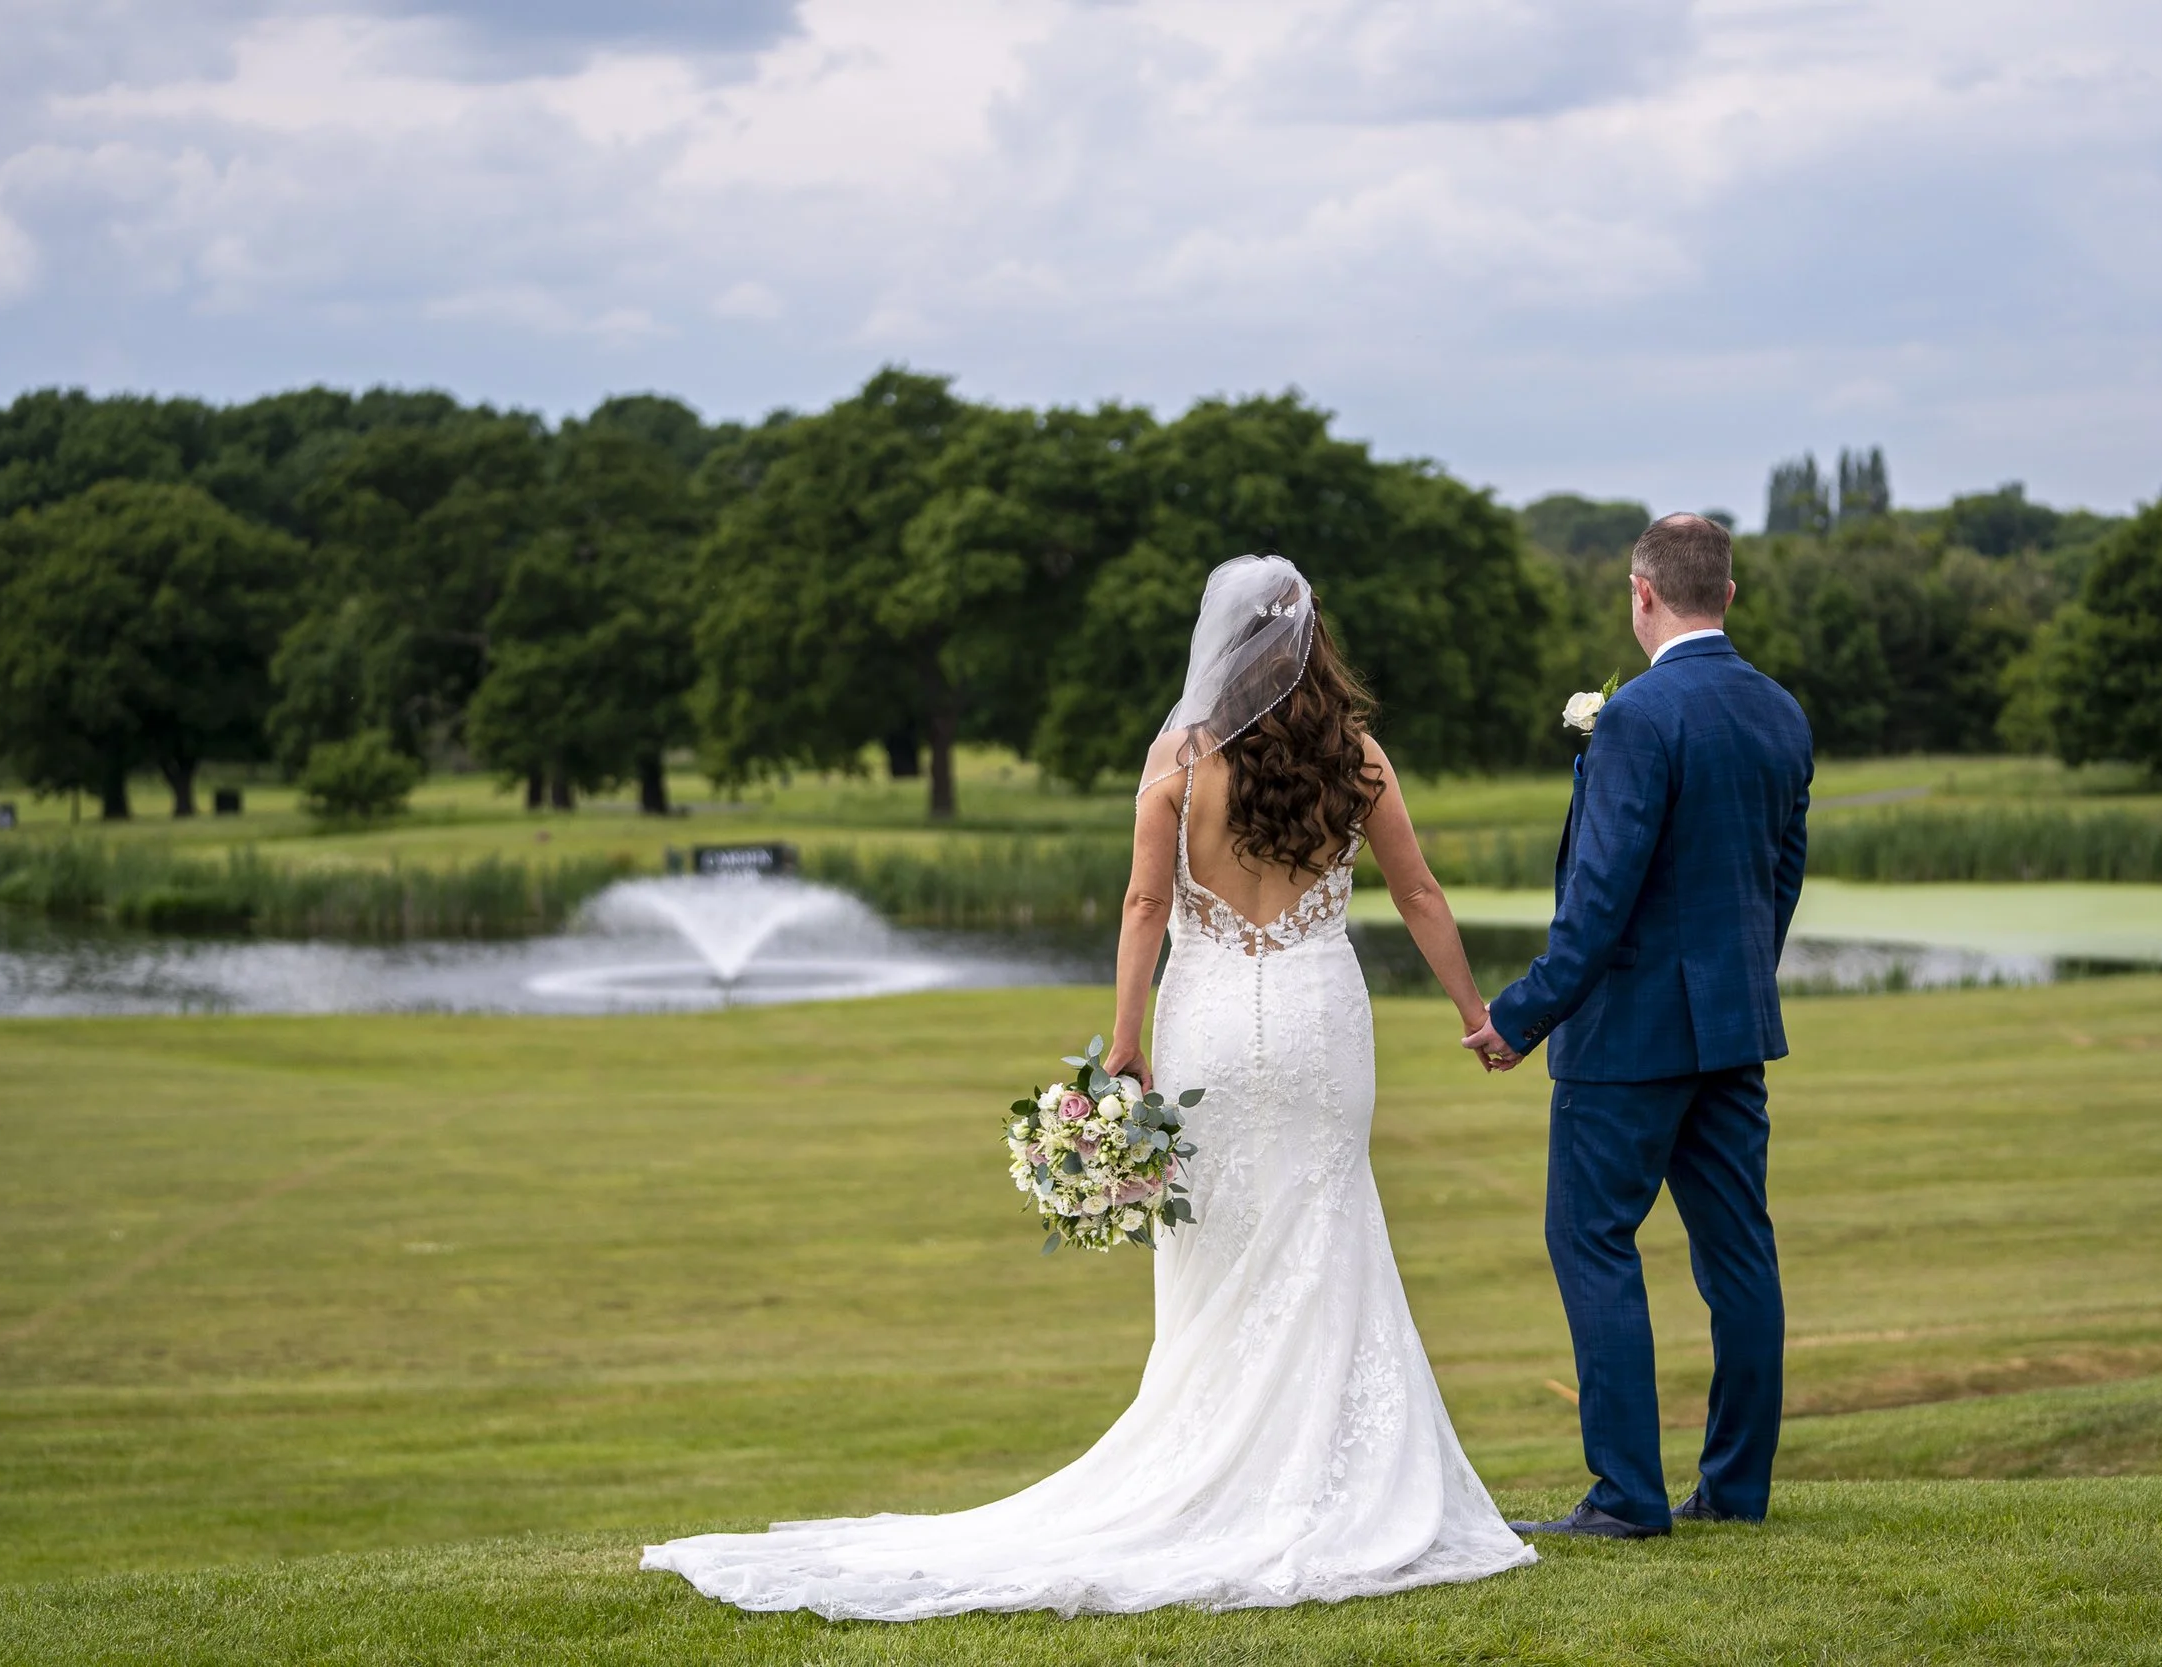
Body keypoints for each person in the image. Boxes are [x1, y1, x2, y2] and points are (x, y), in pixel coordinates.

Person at [643, 554, 1533, 1618]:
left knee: (1220, 1244)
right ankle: (1329, 1481)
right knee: (1325, 1219)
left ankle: (1231, 1467)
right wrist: (1473, 1014)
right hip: (1317, 1022)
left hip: (1204, 1023)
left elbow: (1142, 908)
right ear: (1307, 641)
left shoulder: (1182, 762)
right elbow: (1419, 891)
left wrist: (1124, 1042)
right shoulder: (1358, 757)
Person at [1463, 512, 1813, 1539]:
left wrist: (1518, 1014)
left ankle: (1625, 1495)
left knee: (1591, 1237)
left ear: (1640, 592)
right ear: (1729, 595)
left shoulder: (1635, 717)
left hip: (1624, 1041)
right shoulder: (1781, 713)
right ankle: (1736, 1489)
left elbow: (1598, 897)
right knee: (1739, 1253)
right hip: (1733, 1032)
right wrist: (1739, 975)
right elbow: (1777, 880)